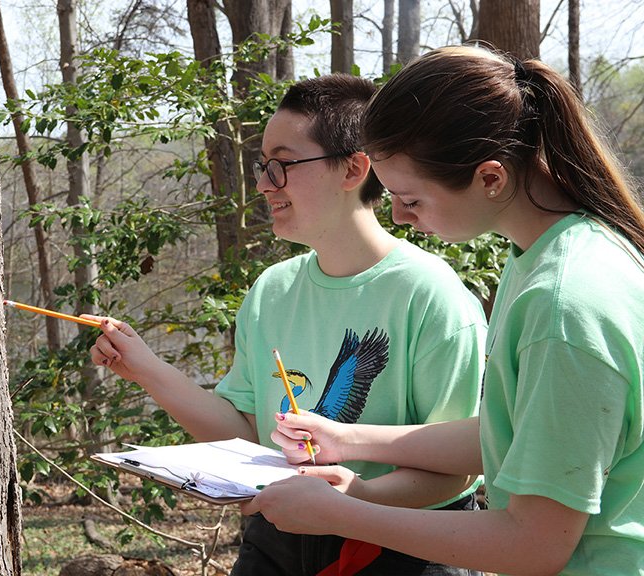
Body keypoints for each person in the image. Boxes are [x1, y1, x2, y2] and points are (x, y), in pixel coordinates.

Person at [244, 45, 644, 576]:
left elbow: (532, 545)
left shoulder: (564, 304)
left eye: (411, 197)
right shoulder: (551, 254)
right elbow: (516, 433)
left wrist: (345, 513)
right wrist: (348, 439)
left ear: (490, 178)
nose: (399, 216)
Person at [86, 73, 487, 576]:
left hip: (409, 546)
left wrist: (354, 499)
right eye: (262, 165)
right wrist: (145, 368)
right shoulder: (272, 291)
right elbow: (248, 435)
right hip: (282, 538)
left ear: (353, 169)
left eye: (282, 165)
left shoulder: (430, 294)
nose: (262, 182)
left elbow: (459, 466)